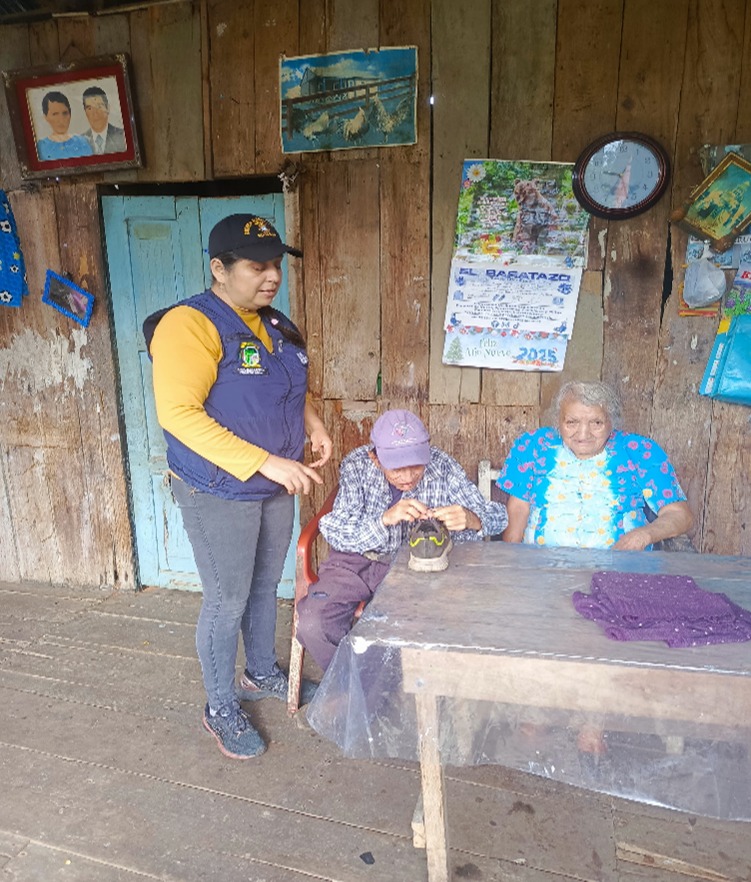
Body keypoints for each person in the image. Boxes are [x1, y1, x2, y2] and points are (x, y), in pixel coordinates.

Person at [146, 213, 332, 760]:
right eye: (257, 266)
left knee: (264, 585)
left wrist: (313, 424)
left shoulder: (272, 323)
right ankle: (220, 705)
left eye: (276, 264)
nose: (272, 276)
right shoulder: (189, 325)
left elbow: (287, 387)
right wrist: (267, 462)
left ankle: (261, 671)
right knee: (227, 599)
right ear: (219, 269)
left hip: (273, 481)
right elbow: (178, 413)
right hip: (218, 488)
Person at [296, 409, 508, 671]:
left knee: (414, 628)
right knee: (313, 624)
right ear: (375, 458)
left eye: (416, 465)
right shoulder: (357, 465)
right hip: (352, 563)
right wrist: (384, 519)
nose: (408, 477)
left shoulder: (442, 466)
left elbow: (499, 517)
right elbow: (336, 530)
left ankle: (379, 686)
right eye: (396, 468)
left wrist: (472, 519)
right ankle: (362, 685)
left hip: (412, 567)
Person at [498, 380, 694, 550]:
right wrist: (512, 566)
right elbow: (519, 510)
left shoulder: (640, 451)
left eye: (596, 423)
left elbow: (680, 515)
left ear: (612, 421)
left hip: (622, 570)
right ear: (558, 421)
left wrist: (645, 534)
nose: (583, 434)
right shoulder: (534, 445)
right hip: (541, 570)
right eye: (571, 422)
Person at [36, 91, 93, 161]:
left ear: (70, 114)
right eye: (55, 114)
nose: (61, 119)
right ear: (46, 117)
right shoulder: (41, 147)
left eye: (65, 113)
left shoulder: (83, 142)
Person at [81, 85, 127, 154]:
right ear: (85, 113)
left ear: (108, 108)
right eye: (90, 108)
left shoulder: (123, 137)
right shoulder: (80, 142)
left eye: (99, 106)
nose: (95, 113)